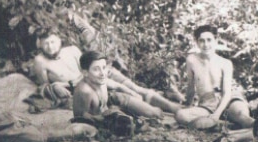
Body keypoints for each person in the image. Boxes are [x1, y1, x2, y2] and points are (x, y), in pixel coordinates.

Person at [31, 26, 182, 113]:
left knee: (135, 88)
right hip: (83, 85)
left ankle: (173, 107)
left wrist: (103, 74)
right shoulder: (40, 61)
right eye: (46, 44)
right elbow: (44, 86)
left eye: (52, 42)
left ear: (58, 40)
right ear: (40, 44)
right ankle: (154, 110)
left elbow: (87, 68)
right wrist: (56, 85)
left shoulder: (72, 50)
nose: (50, 47)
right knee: (124, 94)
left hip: (96, 74)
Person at [174, 25, 258, 131]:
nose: (206, 44)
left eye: (209, 40)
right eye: (202, 41)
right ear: (197, 42)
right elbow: (191, 87)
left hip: (229, 100)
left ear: (215, 41)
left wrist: (216, 115)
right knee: (181, 115)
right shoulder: (192, 60)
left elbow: (227, 93)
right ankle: (230, 125)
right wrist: (188, 105)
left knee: (241, 116)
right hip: (208, 105)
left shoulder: (225, 63)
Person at [72, 51, 162, 136]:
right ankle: (136, 123)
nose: (102, 73)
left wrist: (133, 94)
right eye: (96, 69)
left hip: (112, 102)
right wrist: (103, 117)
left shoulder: (100, 79)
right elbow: (80, 117)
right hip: (101, 119)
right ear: (85, 72)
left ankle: (142, 117)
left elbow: (118, 86)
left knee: (154, 114)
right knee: (129, 126)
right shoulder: (84, 91)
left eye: (103, 68)